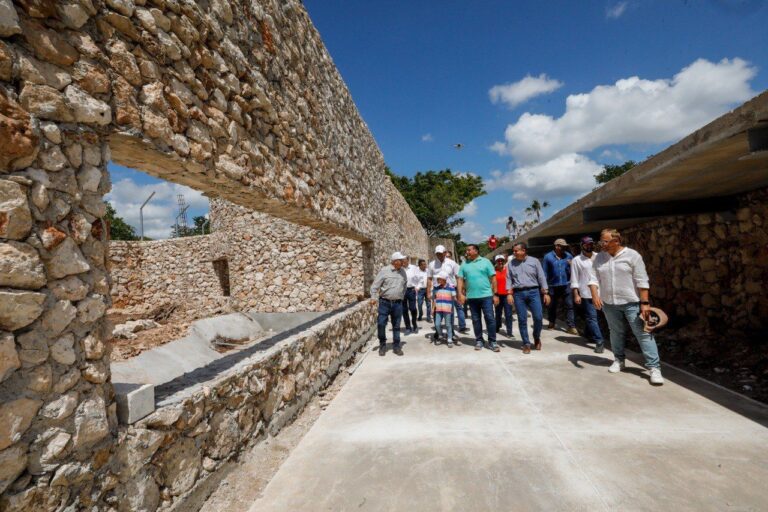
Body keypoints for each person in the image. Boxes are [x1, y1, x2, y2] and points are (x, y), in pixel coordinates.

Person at [588, 229, 664, 385]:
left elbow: (642, 281)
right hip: (609, 303)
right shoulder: (599, 258)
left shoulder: (633, 256)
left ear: (617, 241)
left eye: (606, 242)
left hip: (633, 303)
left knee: (643, 333)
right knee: (615, 332)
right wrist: (595, 295)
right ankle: (619, 360)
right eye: (601, 241)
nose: (603, 245)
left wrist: (644, 304)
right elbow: (593, 278)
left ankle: (654, 368)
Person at [506, 242, 550, 354]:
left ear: (523, 250)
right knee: (522, 319)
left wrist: (545, 292)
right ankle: (526, 343)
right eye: (514, 251)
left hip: (533, 292)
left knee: (538, 317)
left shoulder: (534, 261)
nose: (514, 253)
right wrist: (509, 293)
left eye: (516, 251)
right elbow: (509, 279)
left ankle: (536, 336)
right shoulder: (511, 264)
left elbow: (541, 277)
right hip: (518, 294)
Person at [457, 244, 500, 352]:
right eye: (467, 250)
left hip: (486, 296)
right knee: (476, 320)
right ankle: (479, 340)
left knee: (490, 319)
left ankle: (492, 341)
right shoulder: (464, 264)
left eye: (469, 250)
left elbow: (493, 278)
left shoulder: (486, 262)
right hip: (472, 297)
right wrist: (460, 294)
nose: (467, 252)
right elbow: (460, 279)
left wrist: (495, 294)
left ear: (476, 251)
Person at [571, 236, 605, 353]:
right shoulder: (577, 260)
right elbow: (574, 278)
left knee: (600, 318)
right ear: (582, 245)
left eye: (591, 244)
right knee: (591, 318)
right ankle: (599, 341)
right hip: (587, 294)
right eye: (586, 244)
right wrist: (576, 294)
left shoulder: (600, 257)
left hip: (602, 293)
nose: (589, 246)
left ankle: (588, 333)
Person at [370, 252, 408, 356]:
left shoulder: (403, 272)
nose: (403, 261)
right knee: (381, 324)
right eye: (401, 260)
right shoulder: (384, 271)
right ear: (395, 261)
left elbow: (404, 286)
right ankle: (382, 344)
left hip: (397, 304)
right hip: (384, 303)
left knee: (396, 325)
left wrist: (401, 297)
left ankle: (396, 346)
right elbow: (374, 286)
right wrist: (373, 297)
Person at [427, 246, 467, 339]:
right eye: (437, 254)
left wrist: (460, 292)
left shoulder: (452, 263)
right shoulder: (432, 264)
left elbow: (458, 277)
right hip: (437, 290)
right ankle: (438, 331)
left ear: (445, 253)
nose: (439, 255)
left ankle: (451, 332)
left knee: (450, 311)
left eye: (441, 253)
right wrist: (428, 292)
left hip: (449, 290)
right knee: (436, 311)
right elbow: (429, 279)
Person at [543, 238, 577, 334]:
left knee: (569, 305)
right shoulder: (548, 257)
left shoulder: (568, 256)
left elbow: (573, 272)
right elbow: (544, 273)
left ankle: (571, 326)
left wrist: (571, 265)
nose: (564, 248)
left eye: (565, 247)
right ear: (557, 246)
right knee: (552, 306)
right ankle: (552, 322)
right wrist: (545, 288)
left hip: (566, 284)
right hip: (553, 285)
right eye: (562, 246)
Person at [431, 271, 456, 347]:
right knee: (437, 324)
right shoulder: (436, 289)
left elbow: (453, 298)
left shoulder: (451, 288)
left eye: (439, 279)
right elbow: (435, 299)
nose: (437, 280)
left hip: (447, 309)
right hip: (438, 310)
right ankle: (440, 335)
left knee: (448, 324)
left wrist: (454, 308)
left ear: (444, 279)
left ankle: (449, 338)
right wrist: (433, 308)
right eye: (437, 279)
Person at [493, 254, 514, 338]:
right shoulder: (493, 271)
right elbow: (491, 284)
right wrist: (494, 295)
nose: (500, 262)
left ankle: (509, 332)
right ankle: (497, 327)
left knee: (508, 314)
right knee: (498, 313)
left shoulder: (508, 270)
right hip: (498, 295)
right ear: (496, 262)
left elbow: (513, 282)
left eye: (502, 260)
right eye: (498, 261)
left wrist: (511, 294)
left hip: (507, 295)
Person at [401, 256, 419, 334]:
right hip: (402, 291)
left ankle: (414, 324)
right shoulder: (400, 269)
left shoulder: (414, 268)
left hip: (411, 290)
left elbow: (419, 277)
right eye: (402, 261)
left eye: (404, 261)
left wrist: (417, 287)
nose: (403, 263)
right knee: (404, 310)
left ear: (408, 260)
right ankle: (408, 327)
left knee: (413, 308)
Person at [414, 259, 431, 323]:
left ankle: (428, 317)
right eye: (423, 264)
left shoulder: (428, 271)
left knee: (428, 304)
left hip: (427, 289)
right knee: (419, 304)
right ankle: (420, 314)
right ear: (419, 265)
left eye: (425, 264)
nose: (425, 265)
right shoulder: (416, 272)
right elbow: (415, 280)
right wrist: (416, 287)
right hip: (420, 290)